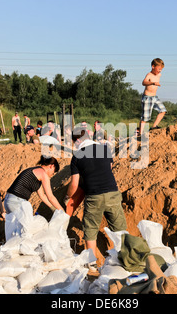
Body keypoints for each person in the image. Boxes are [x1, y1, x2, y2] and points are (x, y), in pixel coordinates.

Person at [66, 127, 128, 272]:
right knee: (119, 227)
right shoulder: (104, 149)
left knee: (91, 228)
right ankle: (125, 258)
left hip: (94, 196)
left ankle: (92, 263)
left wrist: (68, 196)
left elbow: (74, 184)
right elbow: (109, 168)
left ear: (77, 140)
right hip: (112, 192)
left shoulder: (77, 156)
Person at [139, 58, 167, 135]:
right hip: (147, 97)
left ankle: (154, 126)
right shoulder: (149, 75)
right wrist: (153, 83)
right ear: (153, 66)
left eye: (161, 69)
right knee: (145, 117)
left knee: (163, 111)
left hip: (154, 97)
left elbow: (159, 73)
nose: (160, 71)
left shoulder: (159, 75)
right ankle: (140, 133)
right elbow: (144, 82)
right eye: (159, 69)